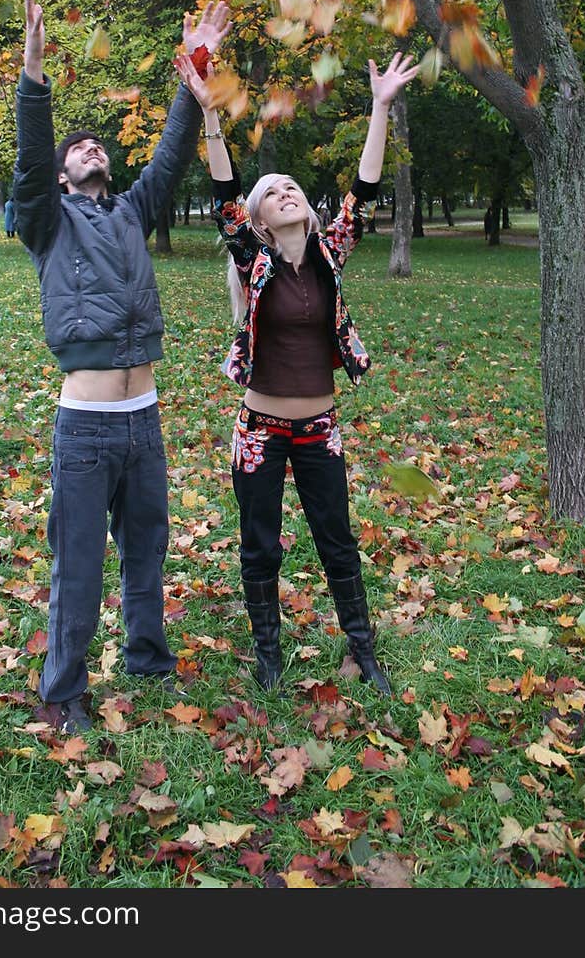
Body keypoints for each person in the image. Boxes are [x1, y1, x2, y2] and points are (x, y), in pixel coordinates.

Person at [14, 0, 231, 735]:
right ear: (66, 173)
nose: (90, 149)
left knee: (147, 550)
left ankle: (147, 658)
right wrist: (34, 73)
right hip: (86, 427)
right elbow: (32, 165)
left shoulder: (132, 213)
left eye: (95, 143)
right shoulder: (46, 223)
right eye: (78, 148)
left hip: (144, 420)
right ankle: (64, 692)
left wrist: (196, 62)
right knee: (78, 566)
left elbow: (171, 157)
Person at [176, 48, 420, 695]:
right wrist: (209, 117)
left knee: (336, 539)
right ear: (257, 222)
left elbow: (363, 191)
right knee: (261, 545)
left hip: (319, 427)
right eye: (272, 193)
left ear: (308, 212)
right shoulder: (254, 261)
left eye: (292, 189)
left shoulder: (329, 254)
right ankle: (268, 655)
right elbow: (225, 191)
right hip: (259, 428)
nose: (284, 194)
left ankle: (364, 651)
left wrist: (380, 105)